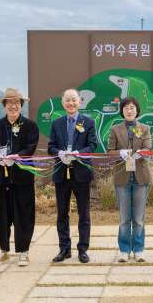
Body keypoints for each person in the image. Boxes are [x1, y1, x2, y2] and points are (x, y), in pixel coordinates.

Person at [0, 88, 39, 267]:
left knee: (24, 215)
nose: (13, 106)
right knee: (1, 215)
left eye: (16, 103)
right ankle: (3, 251)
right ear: (5, 106)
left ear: (21, 105)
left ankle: (24, 251)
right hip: (1, 178)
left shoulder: (30, 125)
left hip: (22, 178)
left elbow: (30, 147)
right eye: (9, 103)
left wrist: (16, 157)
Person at [48, 88, 97, 263]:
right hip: (61, 173)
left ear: (80, 102)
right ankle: (64, 249)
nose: (71, 103)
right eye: (67, 100)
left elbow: (92, 145)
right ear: (62, 103)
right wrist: (59, 153)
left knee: (84, 214)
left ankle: (83, 249)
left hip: (82, 173)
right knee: (62, 213)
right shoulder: (56, 123)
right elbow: (50, 147)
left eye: (74, 100)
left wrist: (78, 153)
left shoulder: (89, 123)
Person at [107, 97, 153, 262]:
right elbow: (110, 151)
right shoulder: (115, 129)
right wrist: (119, 153)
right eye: (126, 108)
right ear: (122, 111)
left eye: (132, 108)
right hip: (122, 177)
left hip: (140, 176)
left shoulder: (145, 128)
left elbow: (148, 148)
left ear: (137, 110)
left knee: (139, 217)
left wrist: (141, 153)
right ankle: (124, 249)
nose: (129, 111)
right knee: (124, 217)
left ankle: (139, 249)